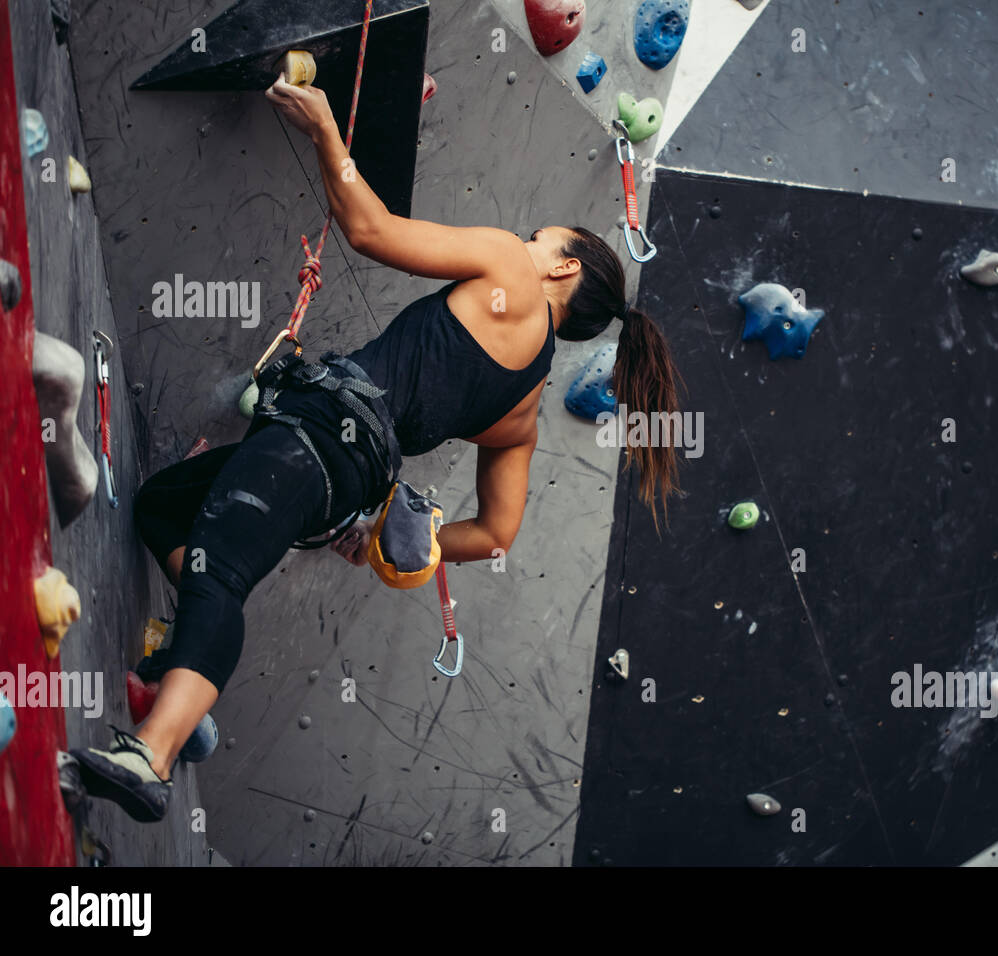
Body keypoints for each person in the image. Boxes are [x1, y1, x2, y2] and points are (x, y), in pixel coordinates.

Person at [71, 76, 683, 823]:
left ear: (563, 267)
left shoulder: (510, 269)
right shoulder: (524, 404)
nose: (527, 242)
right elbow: (497, 533)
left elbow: (368, 228)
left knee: (221, 572)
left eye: (539, 239)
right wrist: (383, 536)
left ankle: (150, 756)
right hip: (342, 479)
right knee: (164, 508)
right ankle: (181, 674)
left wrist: (327, 129)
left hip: (321, 438)